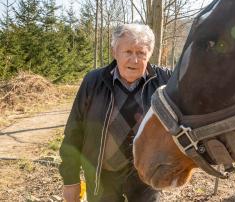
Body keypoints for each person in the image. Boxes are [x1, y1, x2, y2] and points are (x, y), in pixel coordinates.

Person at [59, 24, 172, 202]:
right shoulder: (93, 81)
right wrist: (70, 180)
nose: (134, 60)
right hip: (103, 175)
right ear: (114, 52)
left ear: (149, 54)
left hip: (146, 176)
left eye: (141, 53)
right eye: (128, 52)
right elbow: (74, 130)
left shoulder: (165, 80)